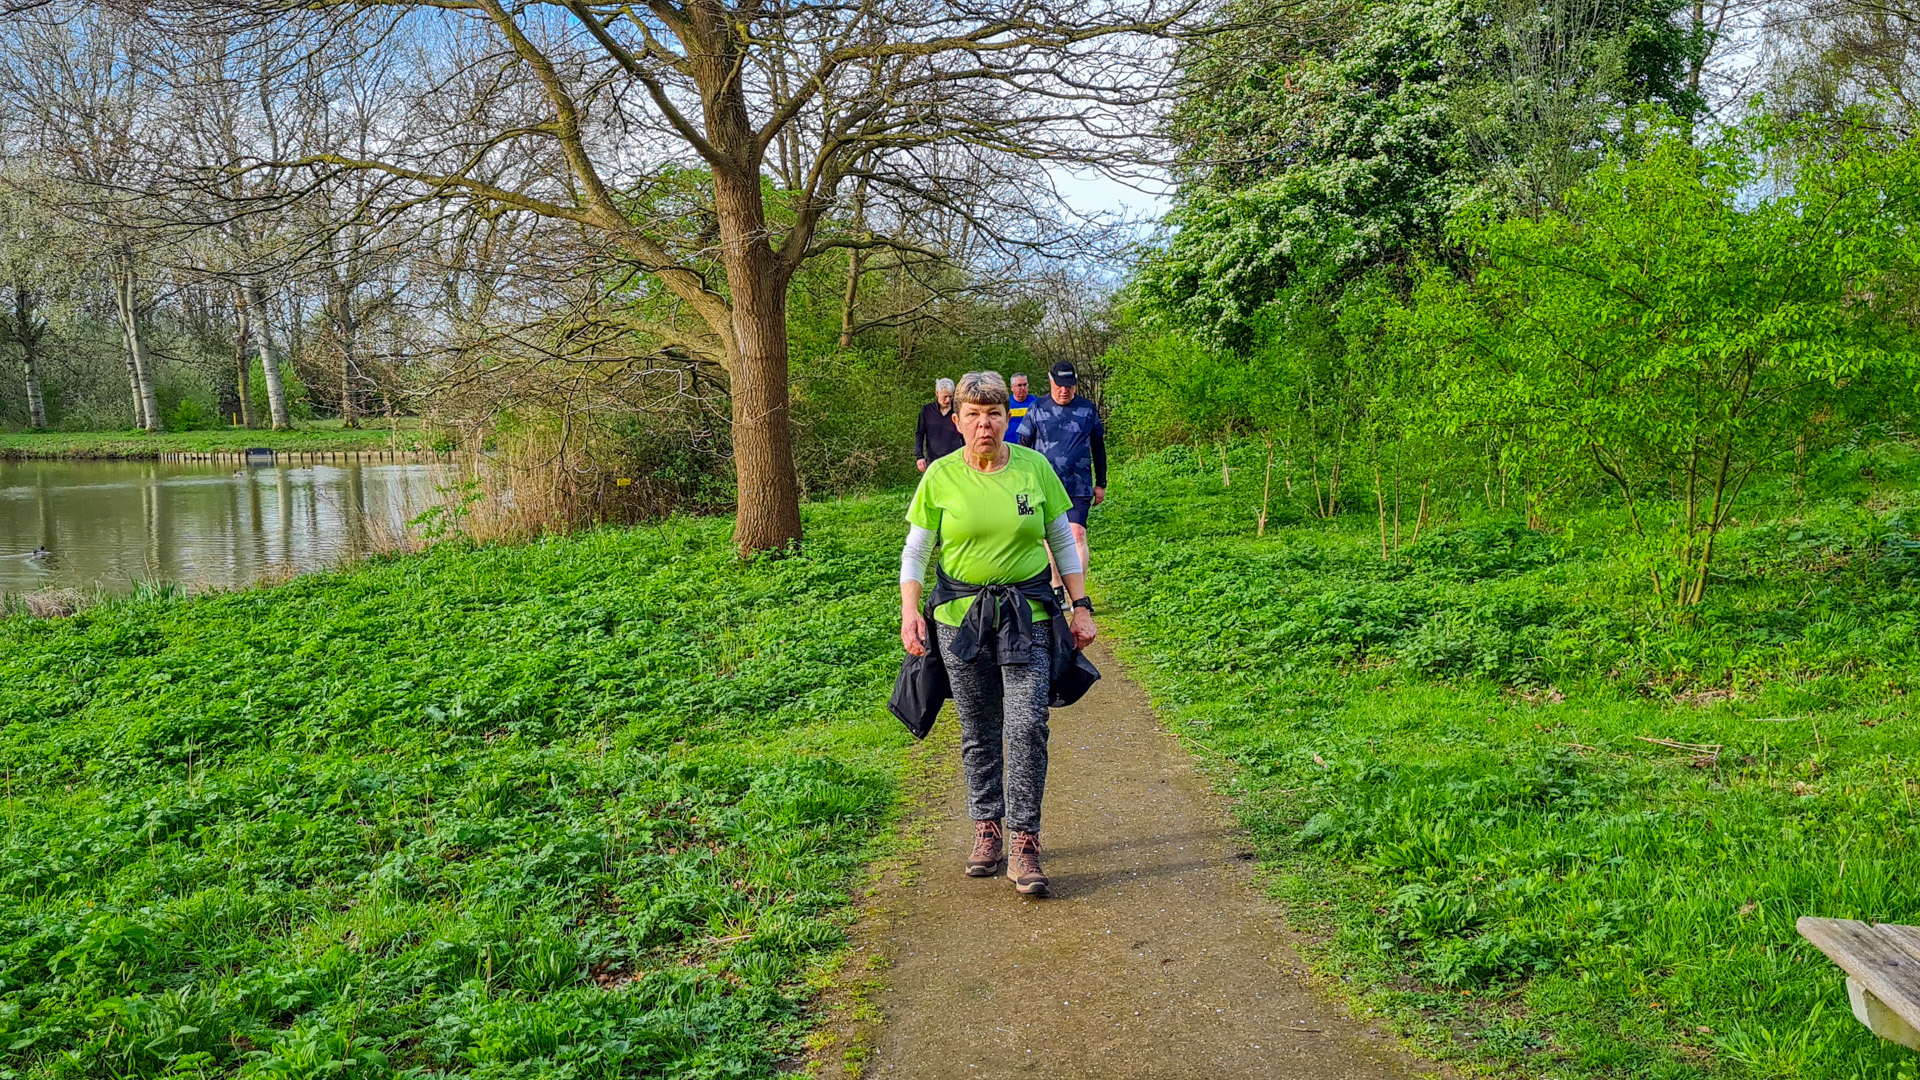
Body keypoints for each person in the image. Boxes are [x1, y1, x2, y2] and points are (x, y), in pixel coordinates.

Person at [900, 370, 1098, 897]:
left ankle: (1025, 840)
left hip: (1028, 617)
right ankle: (987, 829)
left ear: (1006, 418)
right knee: (978, 730)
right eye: (973, 414)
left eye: (993, 414)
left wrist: (1080, 606)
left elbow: (1060, 536)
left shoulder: (1033, 468)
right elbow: (918, 550)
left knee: (1027, 725)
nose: (984, 424)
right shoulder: (940, 476)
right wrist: (910, 611)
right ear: (958, 420)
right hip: (958, 624)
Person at [1017, 360, 1107, 587]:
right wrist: (1023, 481)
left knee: (1077, 533)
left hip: (1079, 483)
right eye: (1060, 385)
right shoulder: (1037, 409)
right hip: (1045, 483)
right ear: (1051, 381)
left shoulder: (1087, 409)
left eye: (1069, 386)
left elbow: (1098, 445)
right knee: (1049, 537)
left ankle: (1079, 592)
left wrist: (1101, 482)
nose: (1064, 390)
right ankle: (1056, 586)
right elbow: (1023, 447)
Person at [914, 378, 965, 472]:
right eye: (945, 396)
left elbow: (965, 434)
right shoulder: (927, 410)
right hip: (933, 460)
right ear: (937, 393)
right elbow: (919, 433)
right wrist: (919, 457)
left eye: (950, 396)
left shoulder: (958, 410)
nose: (948, 400)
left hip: (955, 459)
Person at [1005, 373, 1037, 445]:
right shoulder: (1005, 403)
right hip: (1009, 445)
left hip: (1029, 447)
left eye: (1025, 385)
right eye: (1019, 385)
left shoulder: (1035, 403)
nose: (1022, 388)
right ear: (1012, 387)